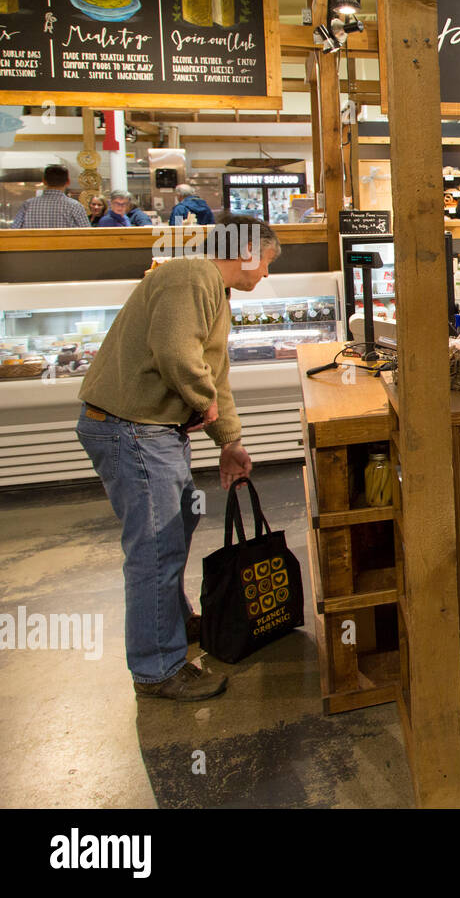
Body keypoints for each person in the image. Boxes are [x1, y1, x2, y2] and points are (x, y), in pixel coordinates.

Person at [77, 212, 281, 701]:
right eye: (268, 262)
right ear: (247, 251)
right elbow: (175, 353)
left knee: (172, 534)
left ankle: (170, 625)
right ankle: (157, 669)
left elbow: (216, 373)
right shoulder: (192, 275)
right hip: (135, 430)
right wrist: (204, 402)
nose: (268, 274)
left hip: (151, 432)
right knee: (154, 550)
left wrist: (229, 441)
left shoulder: (212, 289)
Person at [12, 164, 91, 228]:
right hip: (65, 247)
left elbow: (14, 231)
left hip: (34, 247)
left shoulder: (28, 205)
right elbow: (88, 234)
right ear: (68, 182)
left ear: (44, 181)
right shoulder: (75, 206)